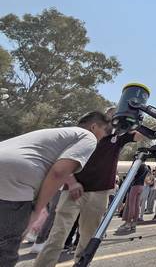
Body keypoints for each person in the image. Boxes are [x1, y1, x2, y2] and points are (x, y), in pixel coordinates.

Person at [34, 108, 142, 267]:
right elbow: (63, 160)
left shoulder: (118, 138)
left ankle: (81, 264)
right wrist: (71, 182)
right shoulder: (81, 135)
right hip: (73, 190)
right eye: (110, 114)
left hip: (99, 193)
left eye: (116, 114)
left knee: (88, 237)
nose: (112, 117)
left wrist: (134, 119)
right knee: (58, 235)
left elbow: (140, 136)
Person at [0, 111, 109, 267]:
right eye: (105, 131)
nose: (104, 136)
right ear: (93, 127)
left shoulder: (58, 134)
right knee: (4, 252)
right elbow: (59, 171)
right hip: (13, 185)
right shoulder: (88, 137)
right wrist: (36, 212)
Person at [117, 163, 149, 233]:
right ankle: (134, 223)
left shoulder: (138, 165)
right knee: (137, 206)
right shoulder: (145, 167)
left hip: (135, 186)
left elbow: (133, 176)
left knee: (131, 206)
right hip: (141, 186)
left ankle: (128, 223)